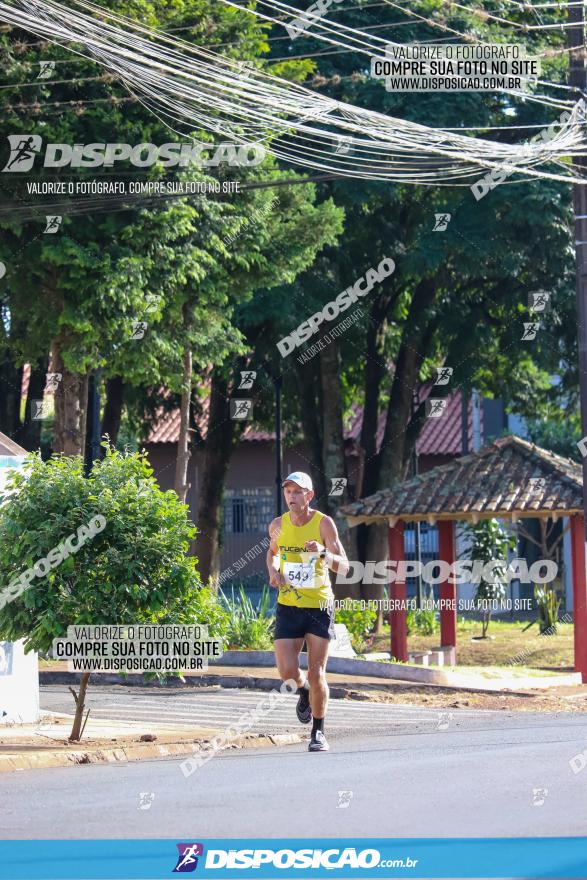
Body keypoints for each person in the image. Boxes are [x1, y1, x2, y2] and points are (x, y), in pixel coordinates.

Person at [266, 472, 348, 752]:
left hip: (318, 606)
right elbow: (273, 552)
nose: (291, 496)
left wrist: (323, 552)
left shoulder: (324, 523)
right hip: (289, 605)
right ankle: (303, 693)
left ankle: (318, 732)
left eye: (298, 491)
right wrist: (273, 570)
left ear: (309, 496)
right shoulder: (278, 524)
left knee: (317, 672)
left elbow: (344, 566)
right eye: (288, 491)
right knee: (287, 672)